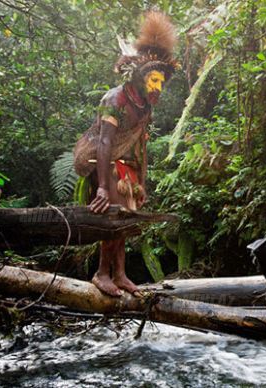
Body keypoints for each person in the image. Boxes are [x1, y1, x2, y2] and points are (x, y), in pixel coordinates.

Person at [73, 11, 178, 296]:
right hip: (105, 164)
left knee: (126, 222)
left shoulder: (145, 105)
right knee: (113, 219)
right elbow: (105, 143)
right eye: (154, 80)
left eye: (161, 82)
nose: (158, 87)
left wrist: (141, 182)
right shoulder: (115, 98)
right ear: (140, 77)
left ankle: (120, 274)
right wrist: (104, 187)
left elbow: (141, 145)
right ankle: (101, 273)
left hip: (128, 169)